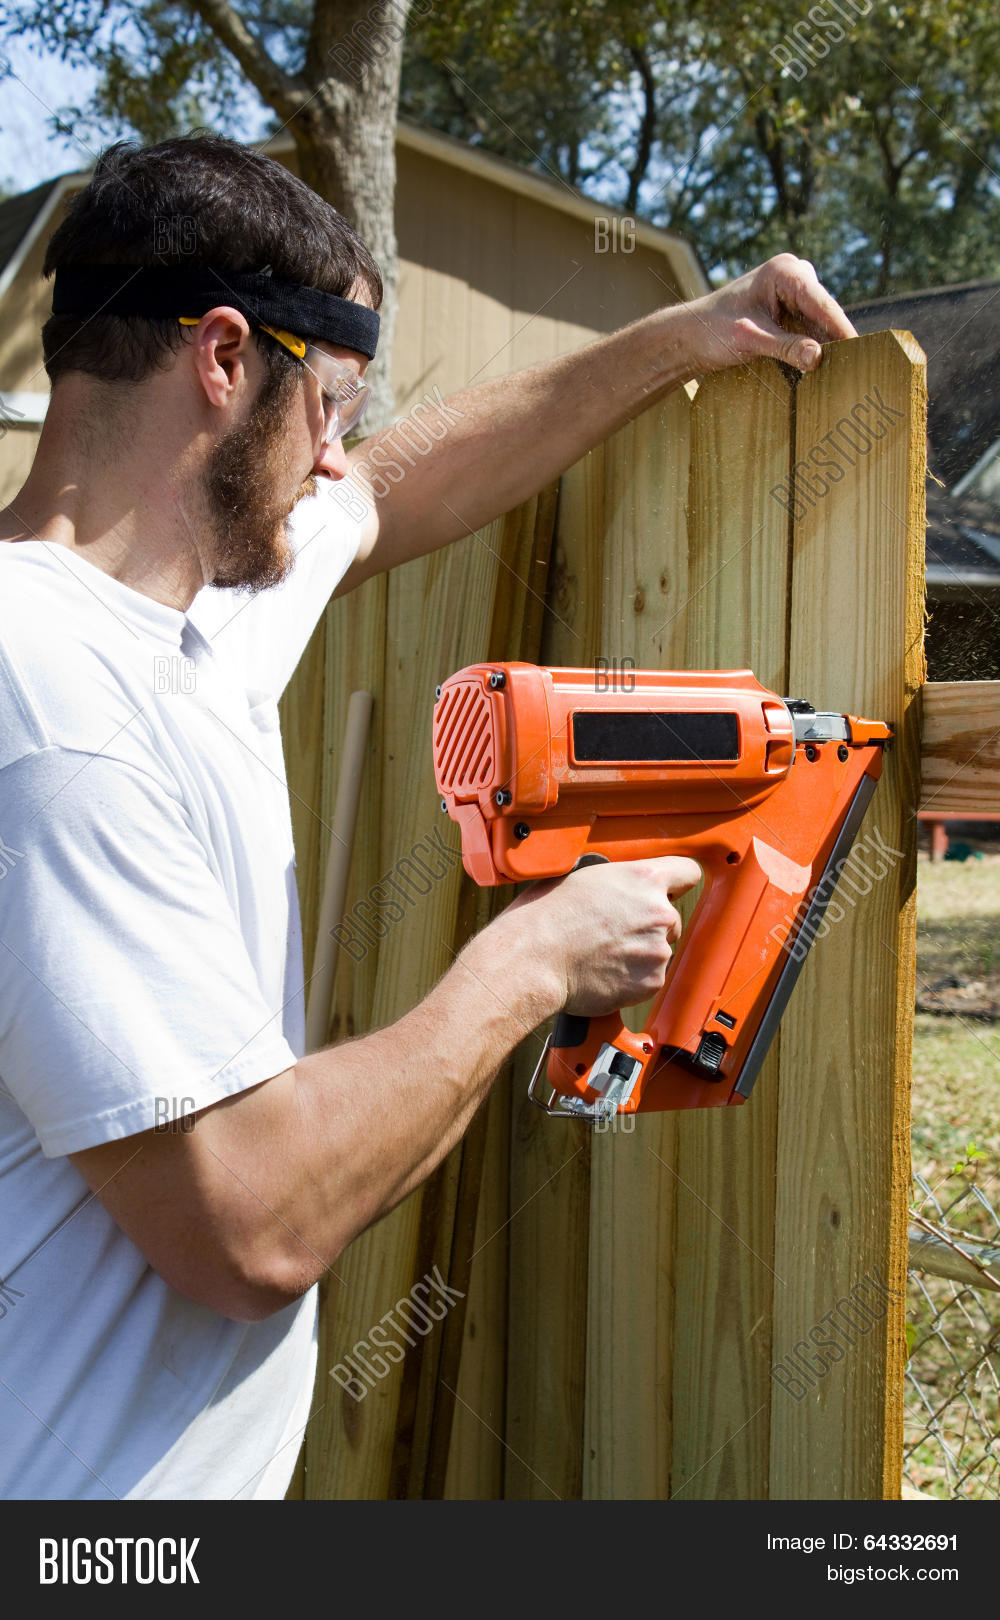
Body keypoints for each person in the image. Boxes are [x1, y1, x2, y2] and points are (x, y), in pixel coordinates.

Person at [0, 133, 857, 1501]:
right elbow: (251, 1223)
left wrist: (690, 333)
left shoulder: (187, 616)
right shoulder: (47, 712)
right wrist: (536, 959)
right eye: (328, 407)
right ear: (223, 361)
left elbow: (397, 486)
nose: (336, 463)